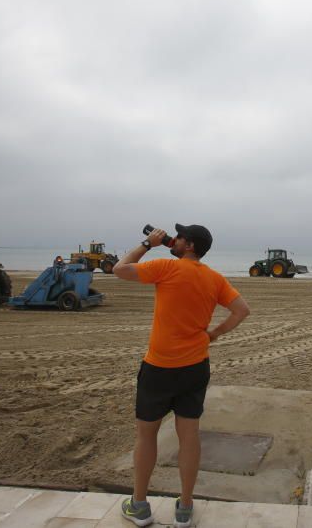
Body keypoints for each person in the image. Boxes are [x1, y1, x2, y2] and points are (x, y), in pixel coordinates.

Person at [113, 223, 250, 528]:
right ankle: (185, 509)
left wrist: (148, 244)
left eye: (179, 237)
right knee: (189, 437)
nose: (173, 240)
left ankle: (139, 506)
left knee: (146, 434)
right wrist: (213, 335)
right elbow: (242, 310)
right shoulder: (214, 278)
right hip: (194, 367)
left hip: (159, 368)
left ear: (188, 245)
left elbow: (120, 269)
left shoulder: (165, 267)